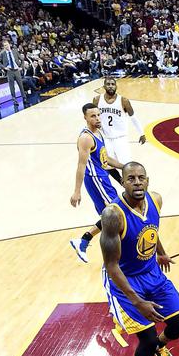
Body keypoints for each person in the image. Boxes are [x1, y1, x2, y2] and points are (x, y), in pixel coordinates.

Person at [96, 162, 179, 356]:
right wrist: (137, 301)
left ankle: (162, 344)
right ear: (123, 182)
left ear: (147, 180)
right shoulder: (113, 215)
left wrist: (161, 252)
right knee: (146, 339)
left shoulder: (156, 200)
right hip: (124, 281)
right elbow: (111, 266)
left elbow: (151, 230)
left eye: (141, 178)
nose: (137, 182)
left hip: (152, 274)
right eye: (131, 179)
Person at [69, 103, 126, 263]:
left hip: (102, 177)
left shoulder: (98, 133)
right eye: (93, 116)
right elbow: (81, 165)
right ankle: (114, 256)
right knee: (115, 213)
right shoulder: (86, 138)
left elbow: (105, 158)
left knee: (112, 217)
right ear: (85, 118)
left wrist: (124, 166)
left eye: (98, 114)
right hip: (95, 179)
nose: (97, 118)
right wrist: (77, 191)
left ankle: (84, 241)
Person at [93, 77, 146, 181]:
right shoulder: (97, 100)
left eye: (113, 84)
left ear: (116, 86)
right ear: (104, 86)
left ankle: (131, 185)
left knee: (127, 165)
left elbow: (133, 117)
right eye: (108, 84)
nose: (111, 86)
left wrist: (141, 133)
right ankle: (121, 182)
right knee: (107, 164)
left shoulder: (124, 100)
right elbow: (93, 116)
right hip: (106, 137)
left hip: (120, 138)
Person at [0, 40, 25, 108]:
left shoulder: (15, 51)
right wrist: (4, 67)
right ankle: (14, 99)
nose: (6, 46)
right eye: (5, 45)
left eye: (7, 44)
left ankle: (24, 97)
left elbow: (22, 59)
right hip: (9, 71)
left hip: (16, 70)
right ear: (3, 47)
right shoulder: (2, 53)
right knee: (11, 86)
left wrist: (21, 67)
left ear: (9, 44)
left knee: (20, 84)